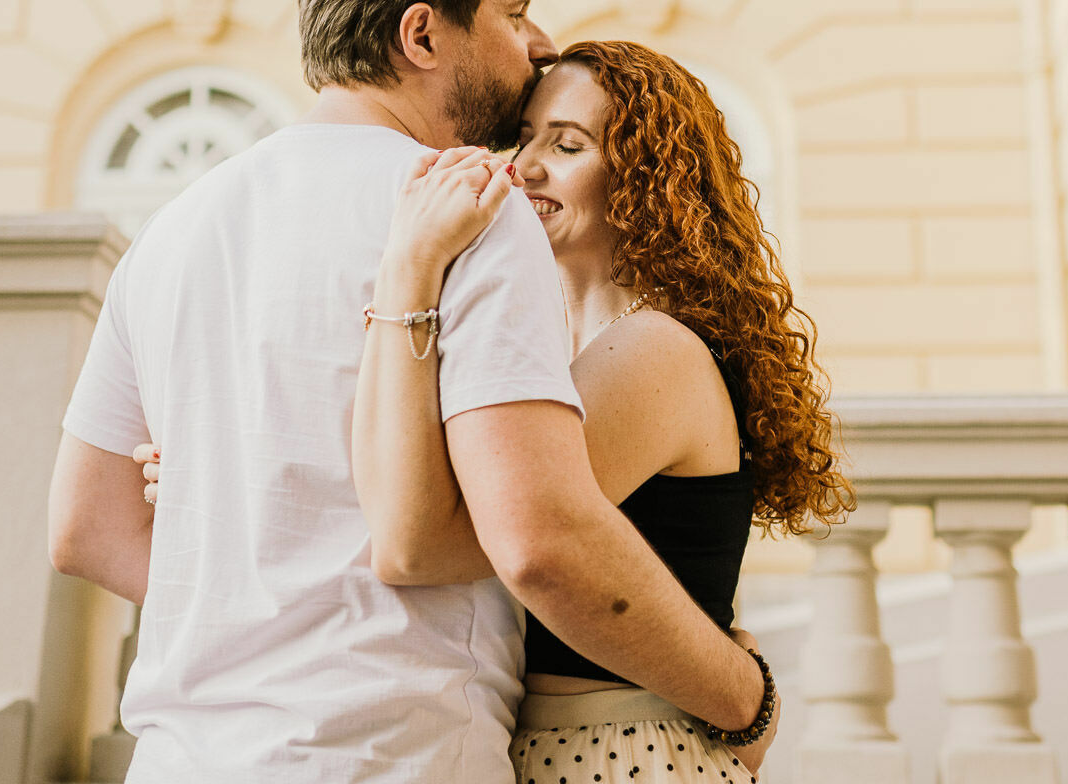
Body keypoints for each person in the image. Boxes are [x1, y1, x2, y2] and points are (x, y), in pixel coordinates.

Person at [47, 0, 771, 783]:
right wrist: (748, 695)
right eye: (514, 12)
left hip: (185, 758)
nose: (536, 40)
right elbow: (540, 543)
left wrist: (262, 589)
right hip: (388, 753)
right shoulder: (468, 205)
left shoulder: (172, 230)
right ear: (423, 33)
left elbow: (85, 529)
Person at [141, 40, 855, 783]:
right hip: (551, 743)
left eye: (568, 144)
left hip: (620, 751)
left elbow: (424, 535)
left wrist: (410, 267)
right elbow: (428, 483)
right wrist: (228, 467)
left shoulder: (656, 351)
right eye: (525, 139)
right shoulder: (561, 350)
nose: (526, 166)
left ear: (650, 177)